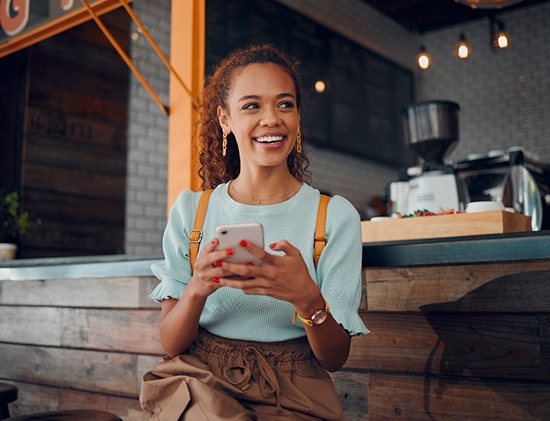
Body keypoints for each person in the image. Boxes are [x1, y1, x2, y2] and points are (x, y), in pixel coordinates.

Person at [139, 44, 369, 420]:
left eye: (285, 104)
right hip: (203, 382)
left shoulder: (334, 217)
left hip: (296, 392)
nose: (271, 119)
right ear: (224, 119)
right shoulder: (191, 212)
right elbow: (171, 343)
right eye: (251, 106)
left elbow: (334, 359)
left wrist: (308, 300)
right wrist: (197, 288)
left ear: (297, 117)